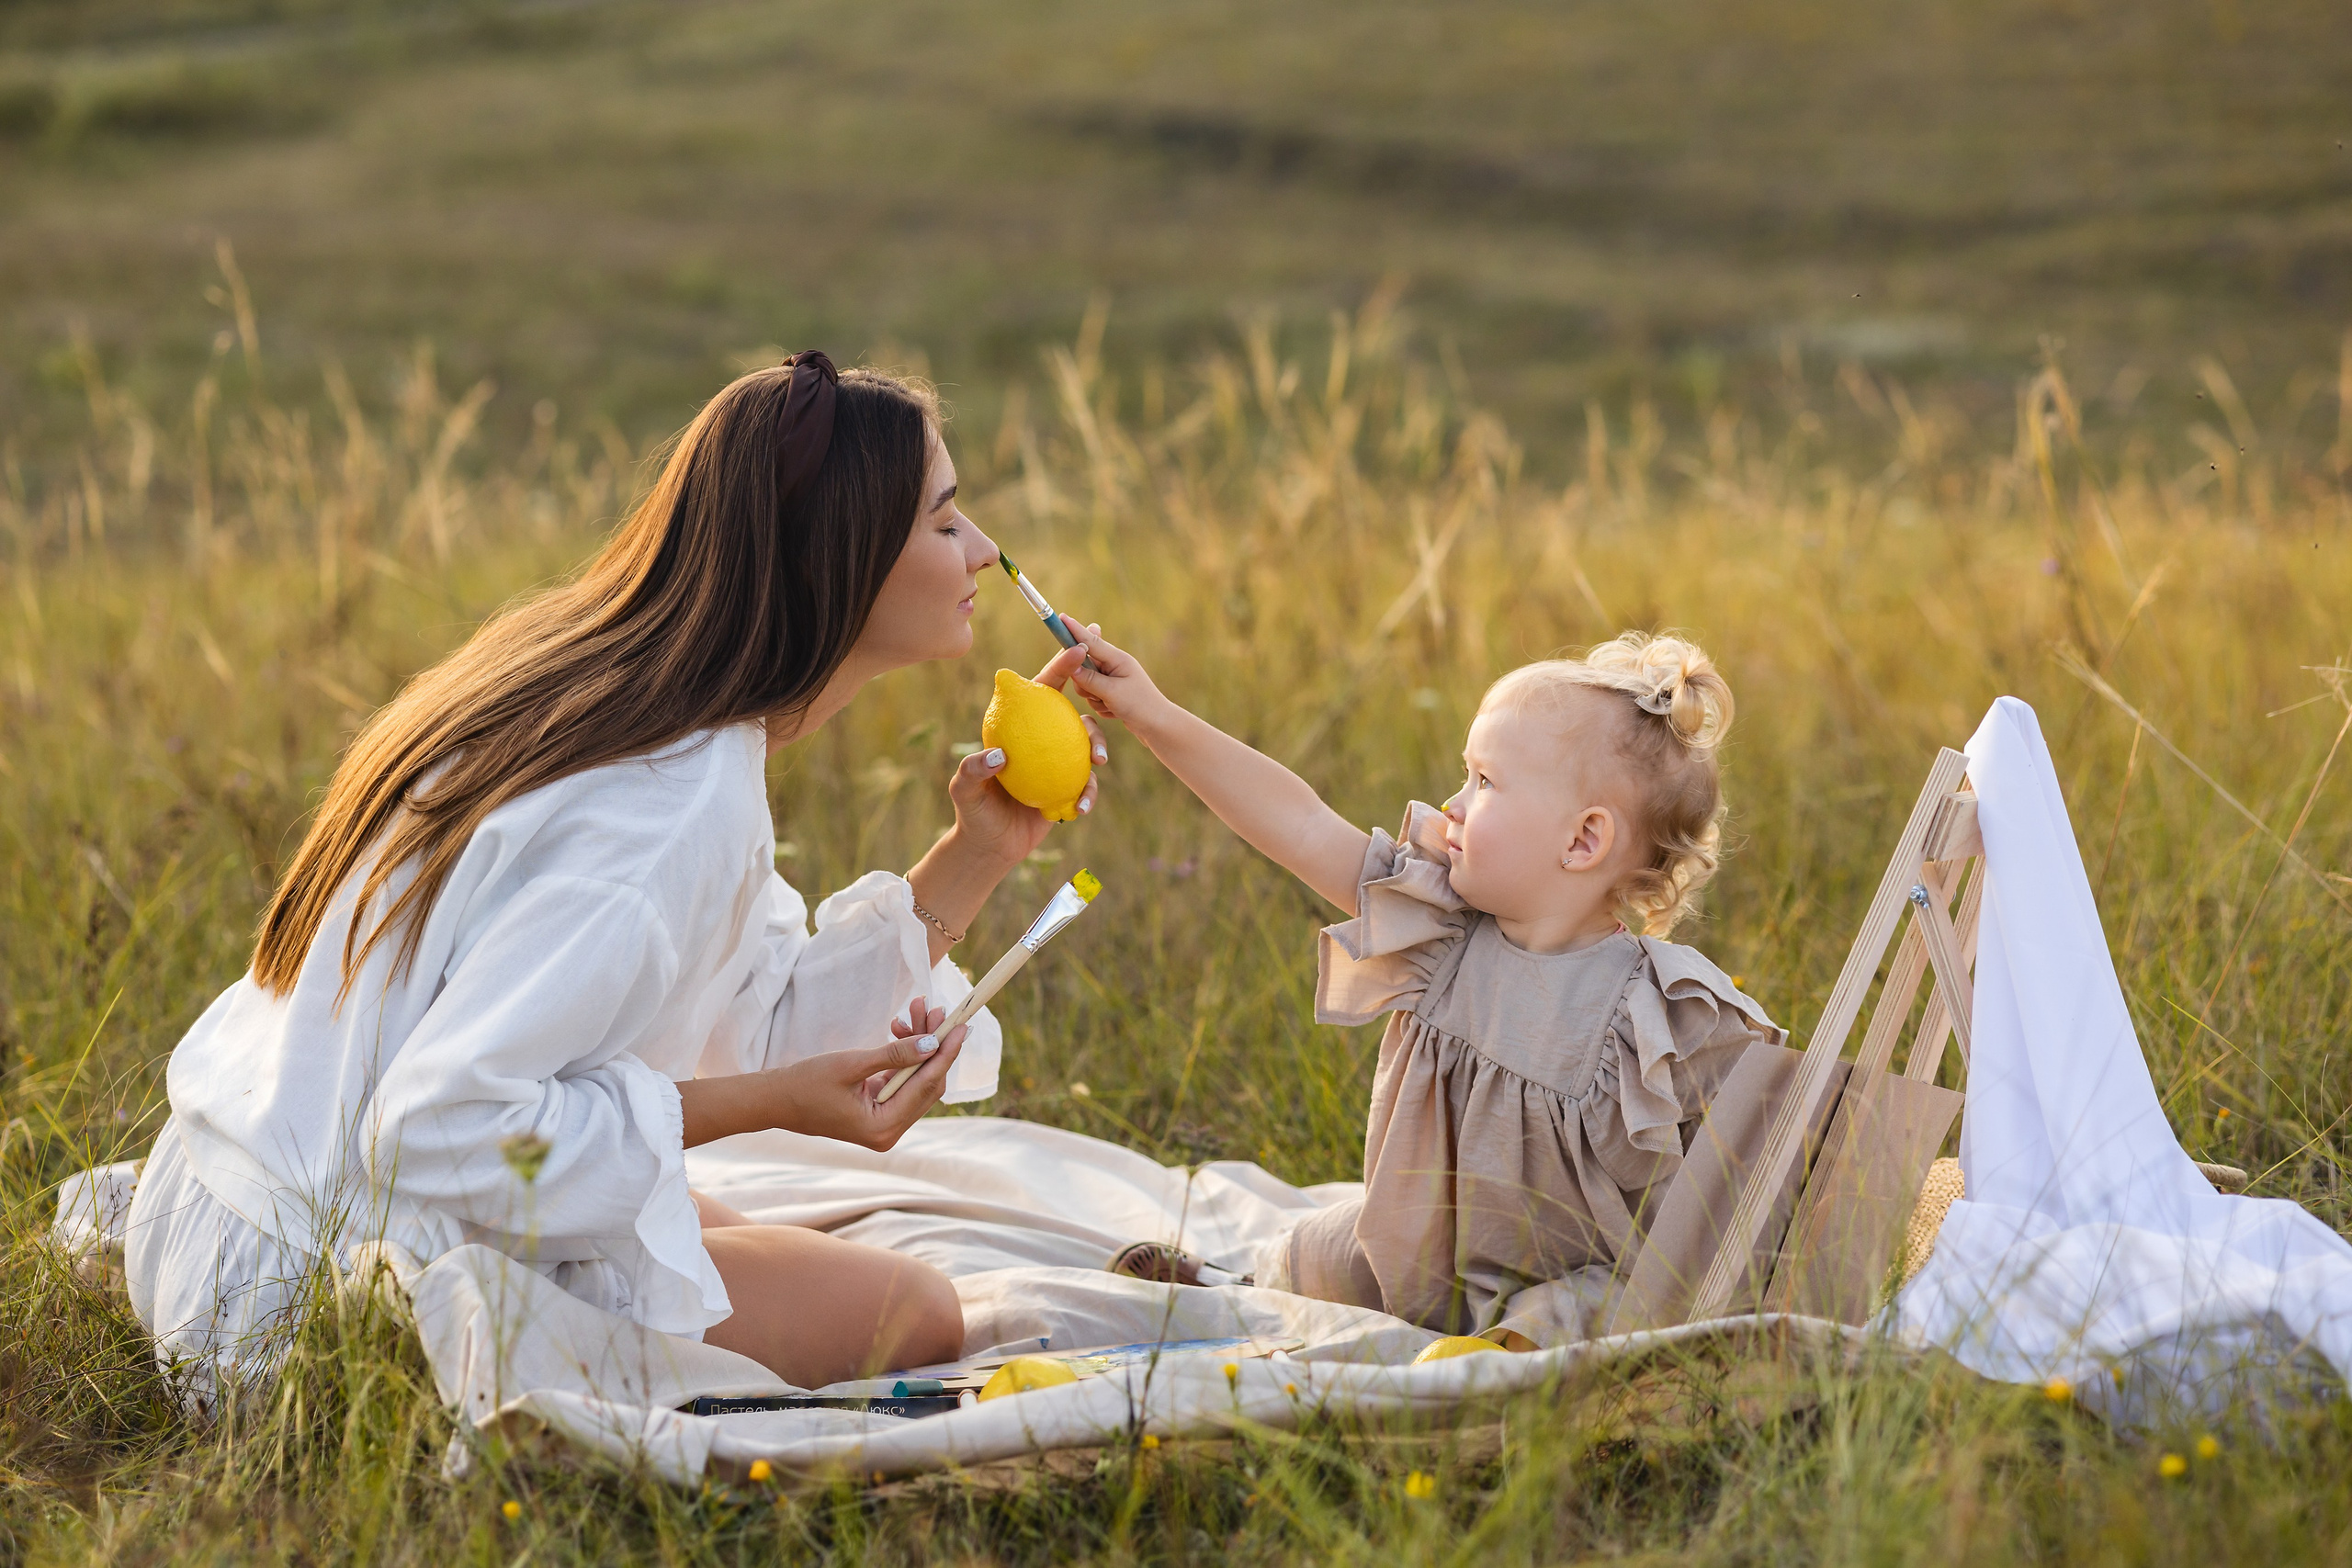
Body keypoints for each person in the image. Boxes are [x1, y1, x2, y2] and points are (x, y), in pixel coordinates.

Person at [122, 353, 1103, 1393]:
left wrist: (978, 855)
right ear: (841, 560)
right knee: (913, 1313)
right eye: (945, 523)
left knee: (703, 1225)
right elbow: (438, 1128)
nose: (983, 551)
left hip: (222, 1208)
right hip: (309, 1303)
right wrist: (758, 1104)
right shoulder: (667, 810)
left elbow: (747, 1017)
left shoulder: (633, 702)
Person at [1068, 627, 1783, 1339]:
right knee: (1330, 1249)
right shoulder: (1442, 928)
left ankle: (1495, 1374)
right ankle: (1240, 1281)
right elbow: (1302, 824)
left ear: (1582, 840)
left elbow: (1774, 1132)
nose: (1454, 803)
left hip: (1569, 1269)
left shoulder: (1653, 1008)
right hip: (1418, 1251)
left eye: (1485, 782)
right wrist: (1152, 713)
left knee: (1586, 1310)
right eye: (1466, 776)